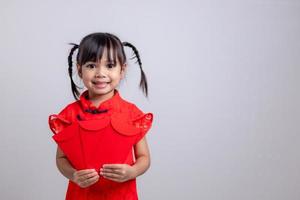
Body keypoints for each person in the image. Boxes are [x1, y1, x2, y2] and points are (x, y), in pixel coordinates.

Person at [48, 32, 154, 200]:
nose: (100, 73)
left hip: (121, 195)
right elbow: (61, 158)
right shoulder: (69, 115)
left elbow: (144, 157)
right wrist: (73, 175)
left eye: (110, 65)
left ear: (122, 70)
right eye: (91, 65)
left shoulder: (131, 113)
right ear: (79, 69)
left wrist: (132, 171)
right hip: (81, 195)